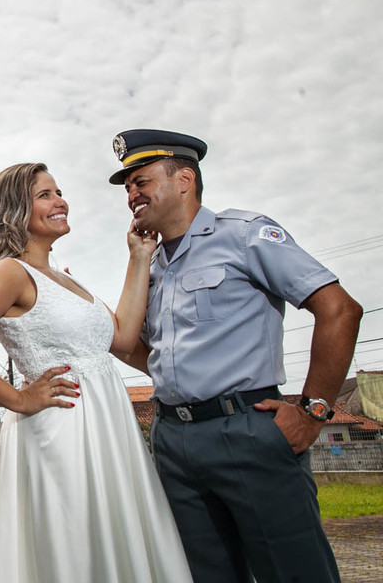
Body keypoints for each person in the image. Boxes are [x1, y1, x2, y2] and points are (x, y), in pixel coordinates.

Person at [108, 129, 363, 583]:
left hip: (246, 429)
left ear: (184, 180)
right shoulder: (149, 262)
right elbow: (135, 347)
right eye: (127, 187)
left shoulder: (244, 235)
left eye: (141, 181)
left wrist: (314, 411)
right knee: (204, 573)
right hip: (173, 440)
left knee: (292, 571)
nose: (131, 195)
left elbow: (340, 310)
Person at [0, 162, 193, 583]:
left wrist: (139, 256)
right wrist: (18, 399)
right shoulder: (11, 273)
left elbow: (124, 338)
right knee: (76, 547)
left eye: (60, 192)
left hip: (108, 427)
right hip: (63, 430)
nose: (60, 202)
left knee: (115, 540)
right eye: (45, 195)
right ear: (16, 209)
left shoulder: (65, 279)